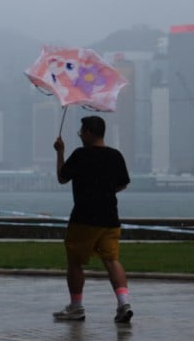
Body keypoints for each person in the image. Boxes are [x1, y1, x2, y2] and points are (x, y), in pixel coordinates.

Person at [52, 115, 133, 323]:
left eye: (81, 132)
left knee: (75, 263)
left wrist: (60, 151)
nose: (80, 135)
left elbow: (62, 177)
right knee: (112, 261)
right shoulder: (116, 156)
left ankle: (76, 307)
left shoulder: (80, 155)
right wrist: (105, 191)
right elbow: (123, 184)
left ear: (89, 132)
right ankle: (123, 303)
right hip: (110, 219)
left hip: (83, 219)